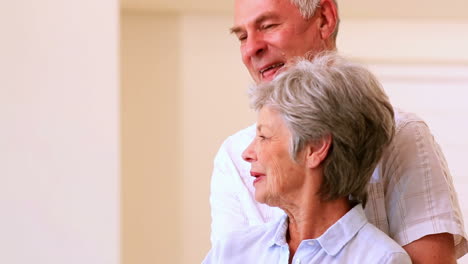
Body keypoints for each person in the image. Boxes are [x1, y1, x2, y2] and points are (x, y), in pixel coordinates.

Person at [210, 0, 468, 263]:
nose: (252, 48)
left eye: (268, 26)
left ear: (324, 18)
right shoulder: (232, 158)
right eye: (242, 36)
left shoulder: (401, 136)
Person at [205, 54, 411, 263]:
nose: (247, 154)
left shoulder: (382, 259)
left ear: (315, 147)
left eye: (263, 137)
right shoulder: (231, 252)